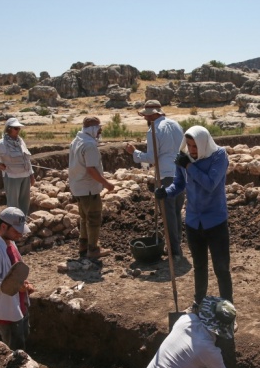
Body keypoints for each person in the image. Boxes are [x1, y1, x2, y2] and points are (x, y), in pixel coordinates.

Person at [155, 126, 232, 308]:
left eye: (195, 146)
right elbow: (179, 184)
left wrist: (189, 166)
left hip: (215, 222)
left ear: (203, 143)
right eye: (189, 146)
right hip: (193, 222)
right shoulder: (184, 158)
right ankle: (198, 302)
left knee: (221, 268)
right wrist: (165, 192)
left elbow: (210, 184)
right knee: (199, 266)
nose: (192, 150)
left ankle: (228, 308)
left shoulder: (219, 156)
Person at [126, 100, 185, 260]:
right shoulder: (176, 125)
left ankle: (174, 251)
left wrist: (135, 153)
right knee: (176, 212)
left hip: (166, 175)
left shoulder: (154, 129)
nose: (145, 118)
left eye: (146, 116)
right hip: (181, 173)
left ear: (152, 115)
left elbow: (152, 158)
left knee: (168, 214)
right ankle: (176, 245)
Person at [0, 207, 34, 350]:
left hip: (19, 304)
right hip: (7, 313)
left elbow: (13, 272)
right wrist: (17, 286)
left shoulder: (10, 243)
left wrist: (24, 284)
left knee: (22, 342)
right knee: (14, 351)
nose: (20, 234)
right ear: (4, 226)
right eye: (16, 231)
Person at [68, 116, 115, 259]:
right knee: (94, 218)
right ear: (93, 129)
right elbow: (91, 170)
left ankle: (83, 245)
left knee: (84, 217)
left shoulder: (76, 140)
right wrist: (106, 184)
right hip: (88, 188)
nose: (100, 131)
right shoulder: (89, 145)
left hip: (78, 186)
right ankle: (93, 250)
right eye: (99, 129)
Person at [0, 118, 35, 215]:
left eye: (19, 128)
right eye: (16, 128)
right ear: (9, 129)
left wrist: (31, 175)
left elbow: (26, 159)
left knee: (25, 201)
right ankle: (13, 222)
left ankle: (23, 220)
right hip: (12, 176)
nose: (18, 130)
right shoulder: (1, 143)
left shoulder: (20, 141)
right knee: (13, 203)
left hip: (25, 176)